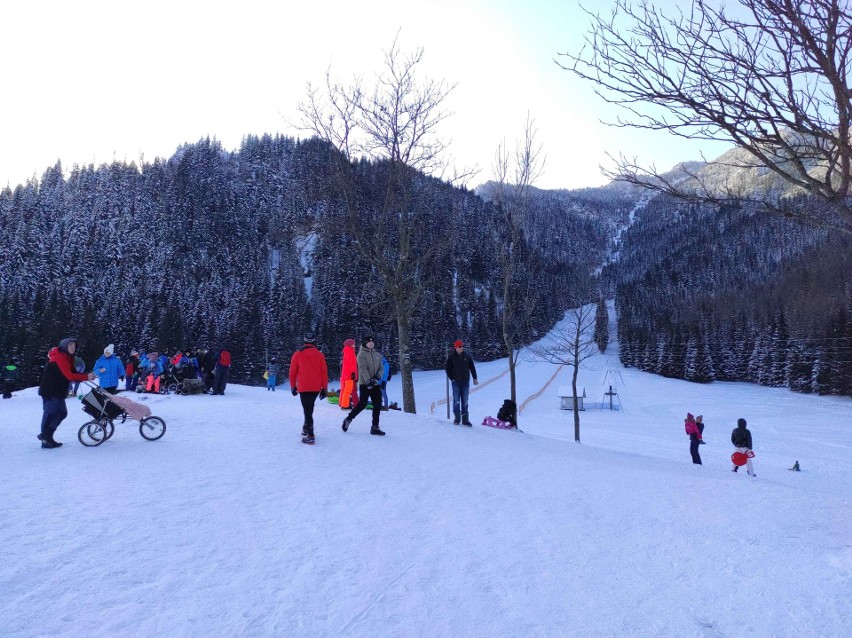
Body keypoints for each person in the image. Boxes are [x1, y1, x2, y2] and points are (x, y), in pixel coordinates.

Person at [37, 337, 95, 448]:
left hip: (59, 391)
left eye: (74, 345)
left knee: (62, 413)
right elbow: (69, 375)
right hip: (50, 391)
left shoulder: (68, 358)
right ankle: (45, 441)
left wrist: (87, 375)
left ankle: (47, 435)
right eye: (70, 345)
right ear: (64, 346)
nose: (73, 347)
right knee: (50, 414)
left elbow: (73, 372)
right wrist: (87, 376)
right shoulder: (59, 357)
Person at [289, 333, 329, 445]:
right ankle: (306, 427)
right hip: (316, 387)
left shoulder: (297, 354)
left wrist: (293, 386)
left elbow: (292, 372)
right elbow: (324, 372)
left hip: (303, 386)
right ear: (314, 341)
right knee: (309, 408)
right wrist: (324, 388)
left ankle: (310, 435)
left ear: (304, 341)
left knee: (307, 410)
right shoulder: (320, 355)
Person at [342, 335, 385, 436]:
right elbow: (362, 368)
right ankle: (348, 419)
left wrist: (377, 378)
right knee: (362, 404)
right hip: (365, 384)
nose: (371, 343)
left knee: (377, 405)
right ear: (365, 343)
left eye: (372, 342)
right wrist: (368, 381)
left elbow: (381, 368)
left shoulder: (377, 355)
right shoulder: (361, 354)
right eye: (369, 342)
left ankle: (375, 427)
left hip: (375, 383)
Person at [445, 339, 479, 426]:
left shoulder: (467, 356)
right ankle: (457, 418)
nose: (461, 348)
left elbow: (472, 367)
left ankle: (465, 420)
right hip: (456, 382)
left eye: (462, 346)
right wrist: (452, 378)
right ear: (455, 348)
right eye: (459, 346)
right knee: (456, 400)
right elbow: (448, 369)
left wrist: (475, 378)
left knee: (465, 401)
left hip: (465, 382)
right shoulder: (451, 357)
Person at [339, 338, 359, 410]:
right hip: (349, 375)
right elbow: (352, 364)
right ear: (350, 344)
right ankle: (344, 405)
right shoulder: (349, 351)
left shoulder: (347, 350)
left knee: (345, 390)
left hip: (347, 374)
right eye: (353, 343)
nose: (354, 345)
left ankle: (343, 403)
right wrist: (353, 374)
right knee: (348, 390)